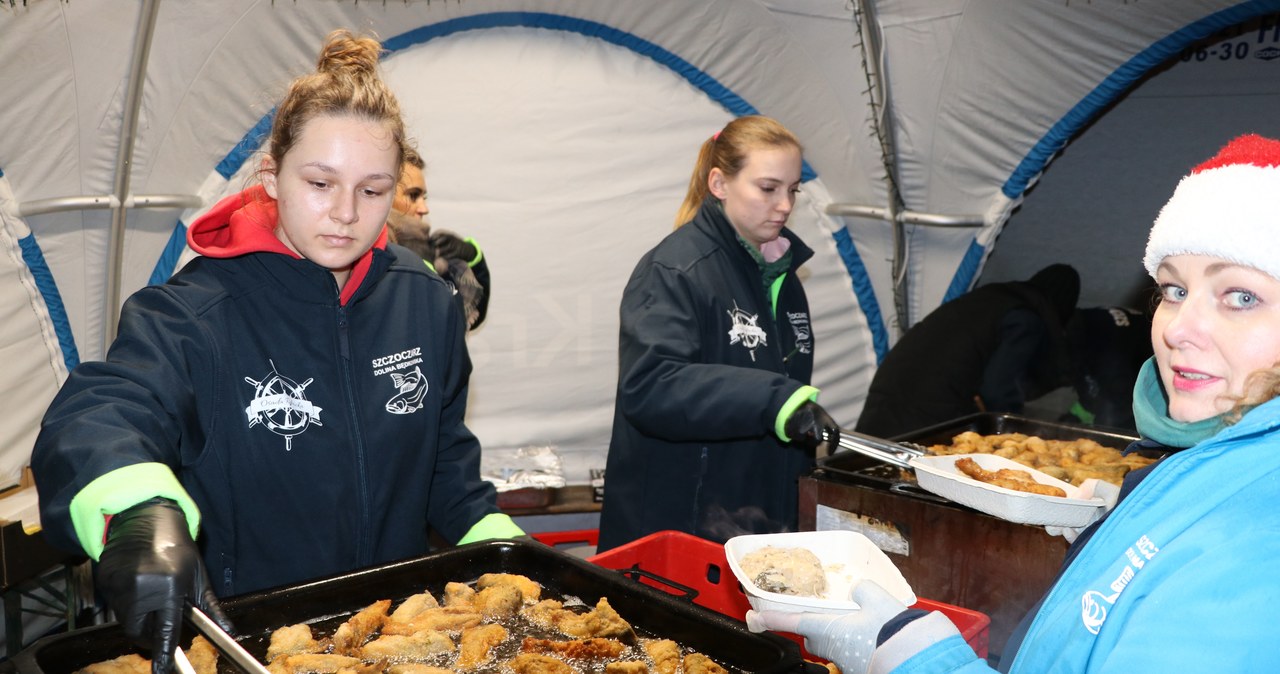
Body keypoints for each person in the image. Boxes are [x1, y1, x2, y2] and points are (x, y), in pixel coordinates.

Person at [30, 30, 523, 673]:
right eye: (320, 182)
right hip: (252, 644)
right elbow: (101, 409)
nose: (345, 213)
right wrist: (137, 508)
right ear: (273, 174)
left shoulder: (425, 305)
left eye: (373, 190)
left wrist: (518, 558)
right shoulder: (195, 314)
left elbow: (448, 474)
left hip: (400, 641)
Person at [748, 133, 1280, 673]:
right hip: (922, 408)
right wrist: (1127, 520)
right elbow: (1003, 392)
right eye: (1173, 291)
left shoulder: (1257, 547)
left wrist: (918, 659)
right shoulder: (1216, 459)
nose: (1178, 329)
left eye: (1241, 296)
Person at [597, 115, 840, 552]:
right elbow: (651, 386)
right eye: (768, 188)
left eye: (793, 189)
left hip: (756, 521)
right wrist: (776, 399)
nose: (784, 205)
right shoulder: (675, 270)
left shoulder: (784, 279)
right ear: (719, 183)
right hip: (682, 527)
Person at [855, 263, 1080, 438]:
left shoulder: (987, 299)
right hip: (927, 416)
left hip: (887, 398)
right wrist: (1016, 432)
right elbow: (998, 389)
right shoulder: (1025, 320)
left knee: (864, 476)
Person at [387, 146, 491, 330]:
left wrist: (473, 257)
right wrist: (422, 268)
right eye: (413, 195)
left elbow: (472, 314)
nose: (424, 208)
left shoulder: (428, 248)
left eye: (423, 197)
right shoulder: (369, 255)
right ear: (381, 194)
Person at [1063, 305, 1154, 431]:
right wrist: (1074, 417)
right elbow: (1091, 389)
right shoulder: (1081, 327)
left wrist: (1099, 435)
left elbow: (1116, 400)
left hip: (1148, 399)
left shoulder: (1107, 350)